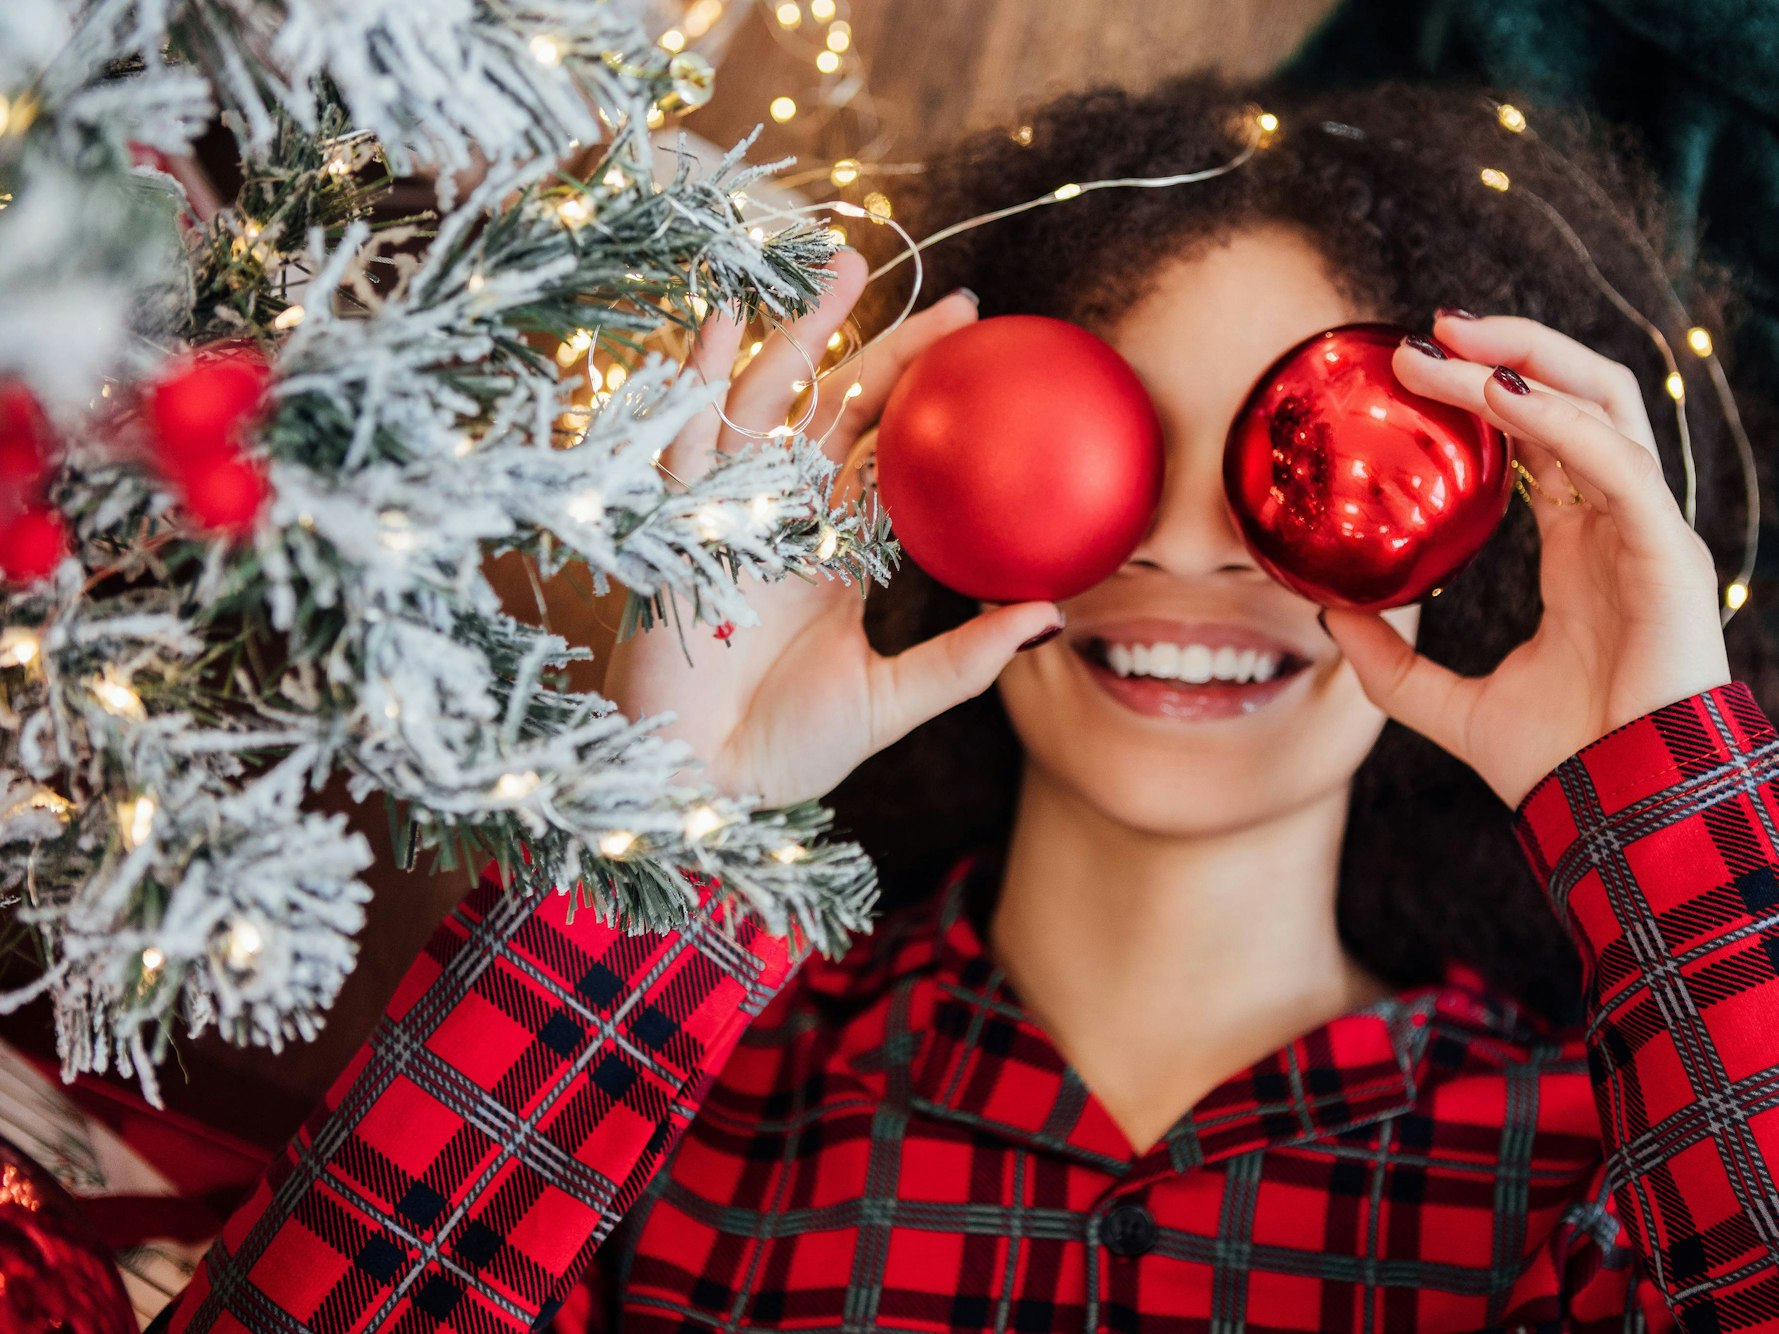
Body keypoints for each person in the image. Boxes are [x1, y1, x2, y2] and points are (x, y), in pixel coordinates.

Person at [152, 72, 1779, 1333]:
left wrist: (1652, 797)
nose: (1182, 555)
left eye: (1306, 464)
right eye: (1099, 454)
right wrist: (669, 823)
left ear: (1466, 541)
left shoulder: (1605, 1164)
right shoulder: (670, 1099)